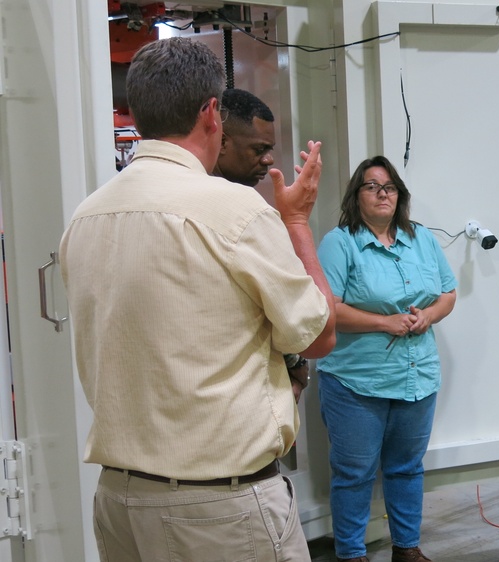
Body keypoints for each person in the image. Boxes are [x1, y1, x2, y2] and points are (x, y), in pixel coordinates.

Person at [59, 37, 337, 561]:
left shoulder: (88, 215)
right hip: (216, 508)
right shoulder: (233, 211)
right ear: (212, 112)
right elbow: (320, 336)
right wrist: (296, 221)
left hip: (120, 500)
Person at [316, 156, 457, 562]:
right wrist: (385, 323)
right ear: (356, 197)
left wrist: (427, 316)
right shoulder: (339, 243)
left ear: (400, 195)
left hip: (418, 377)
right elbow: (329, 309)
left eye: (389, 186)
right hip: (356, 382)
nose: (382, 193)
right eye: (371, 186)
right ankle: (351, 554)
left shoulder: (422, 239)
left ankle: (407, 549)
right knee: (354, 474)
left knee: (407, 468)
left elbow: (448, 293)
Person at [213, 87, 309, 401]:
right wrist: (296, 220)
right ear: (222, 141)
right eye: (259, 149)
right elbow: (308, 328)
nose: (269, 160)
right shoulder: (246, 214)